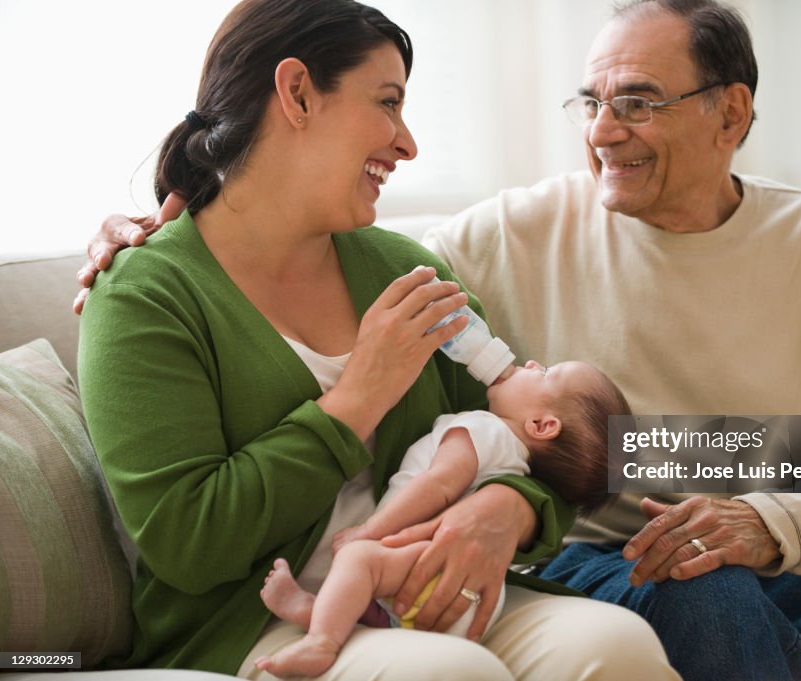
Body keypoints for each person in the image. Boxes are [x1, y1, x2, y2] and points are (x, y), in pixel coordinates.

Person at [78, 1, 801, 680]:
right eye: (591, 102)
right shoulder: (509, 232)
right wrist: (131, 233)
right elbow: (290, 250)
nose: (603, 131)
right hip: (618, 550)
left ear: (729, 114)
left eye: (640, 101)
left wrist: (765, 520)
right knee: (703, 592)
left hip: (782, 542)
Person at [74, 1, 680, 680]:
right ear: (297, 93)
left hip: (429, 593)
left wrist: (508, 507)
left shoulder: (401, 268)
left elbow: (554, 440)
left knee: (615, 643)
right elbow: (189, 541)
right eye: (388, 102)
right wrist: (357, 397)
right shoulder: (146, 295)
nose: (408, 142)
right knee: (448, 673)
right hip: (262, 620)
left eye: (639, 104)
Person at [255, 359, 629, 677]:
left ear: (542, 426)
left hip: (428, 574)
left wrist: (368, 531)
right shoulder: (518, 464)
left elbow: (438, 485)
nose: (531, 363)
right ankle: (326, 613)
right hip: (467, 602)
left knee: (359, 559)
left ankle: (323, 639)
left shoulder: (486, 431)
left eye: (545, 372)